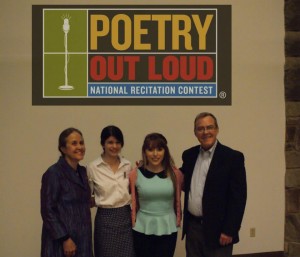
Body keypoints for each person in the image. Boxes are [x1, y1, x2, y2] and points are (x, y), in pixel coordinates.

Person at [180, 112, 247, 257]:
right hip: (193, 228)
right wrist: (146, 167)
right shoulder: (189, 155)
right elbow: (177, 177)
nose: (205, 132)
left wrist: (230, 230)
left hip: (219, 231)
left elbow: (238, 198)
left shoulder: (232, 158)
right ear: (195, 132)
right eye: (200, 128)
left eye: (209, 127)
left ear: (217, 129)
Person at [40, 128, 92, 257]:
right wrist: (64, 238)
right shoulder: (54, 173)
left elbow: (83, 201)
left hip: (83, 240)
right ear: (63, 149)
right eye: (74, 143)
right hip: (61, 243)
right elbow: (47, 210)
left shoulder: (83, 172)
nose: (80, 147)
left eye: (81, 143)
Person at [129, 133, 183, 257]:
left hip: (168, 226)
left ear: (165, 151)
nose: (155, 154)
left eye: (159, 149)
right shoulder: (135, 174)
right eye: (150, 149)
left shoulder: (175, 174)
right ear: (144, 151)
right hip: (142, 227)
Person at [87, 125, 135, 257]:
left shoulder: (127, 165)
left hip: (126, 217)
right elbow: (88, 196)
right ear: (103, 143)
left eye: (118, 142)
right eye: (110, 142)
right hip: (105, 220)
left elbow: (133, 191)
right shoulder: (93, 167)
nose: (114, 146)